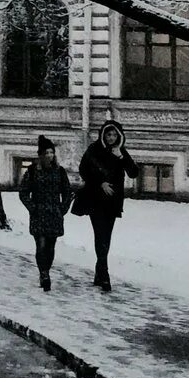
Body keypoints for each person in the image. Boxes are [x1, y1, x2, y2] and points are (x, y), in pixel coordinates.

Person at [78, 118, 135, 292]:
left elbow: (133, 173)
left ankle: (99, 271)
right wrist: (100, 183)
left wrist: (122, 157)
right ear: (103, 135)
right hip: (95, 199)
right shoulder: (94, 149)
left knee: (106, 236)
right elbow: (83, 170)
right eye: (108, 134)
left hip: (112, 202)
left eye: (114, 135)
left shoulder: (120, 151)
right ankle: (105, 274)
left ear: (119, 136)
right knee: (99, 234)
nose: (111, 138)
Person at [17, 135, 74, 291]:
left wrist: (63, 208)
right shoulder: (32, 171)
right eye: (46, 153)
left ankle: (46, 270)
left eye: (51, 152)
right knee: (41, 245)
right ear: (40, 155)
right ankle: (44, 274)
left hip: (54, 213)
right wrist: (32, 208)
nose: (50, 155)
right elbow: (23, 192)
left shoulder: (59, 171)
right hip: (39, 214)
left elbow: (68, 192)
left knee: (50, 246)